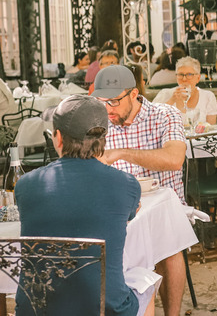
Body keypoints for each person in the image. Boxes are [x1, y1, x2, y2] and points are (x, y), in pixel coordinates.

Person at [16, 95, 155, 316]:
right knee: (147, 282)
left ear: (58, 137)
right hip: (103, 309)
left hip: (37, 309)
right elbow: (128, 215)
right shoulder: (127, 185)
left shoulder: (25, 185)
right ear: (103, 139)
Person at [92, 65, 188, 316]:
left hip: (167, 206)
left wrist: (122, 154)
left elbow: (175, 158)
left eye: (113, 101)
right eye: (101, 102)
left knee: (169, 247)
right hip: (121, 209)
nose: (107, 108)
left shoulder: (165, 115)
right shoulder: (101, 123)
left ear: (134, 94)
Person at [153, 56, 217, 125]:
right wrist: (172, 100)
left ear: (198, 78)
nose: (184, 79)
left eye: (189, 74)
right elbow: (151, 119)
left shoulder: (208, 96)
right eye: (181, 74)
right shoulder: (165, 94)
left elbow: (211, 127)